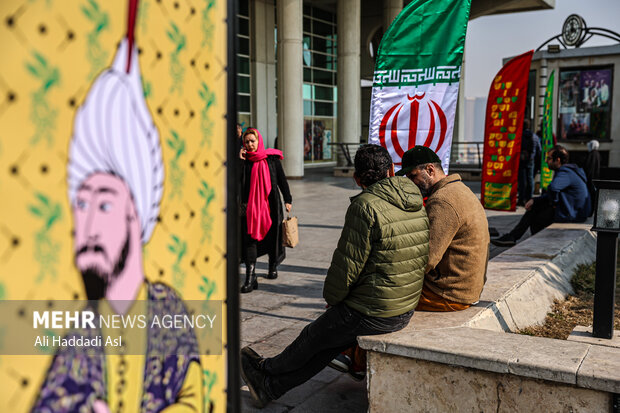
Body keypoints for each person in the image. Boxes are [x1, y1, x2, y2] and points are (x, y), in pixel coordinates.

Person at [33, 39, 203, 412]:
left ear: (134, 213)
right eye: (82, 203)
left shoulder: (167, 308)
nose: (88, 224)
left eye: (105, 203)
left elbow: (193, 398)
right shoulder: (81, 328)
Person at [240, 144, 429, 408]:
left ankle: (266, 369)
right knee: (328, 345)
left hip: (375, 311)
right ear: (392, 170)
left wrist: (333, 298)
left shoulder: (365, 206)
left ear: (356, 178)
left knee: (313, 337)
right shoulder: (416, 200)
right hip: (405, 306)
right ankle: (270, 387)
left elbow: (346, 267)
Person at [397, 145, 489, 312]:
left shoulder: (442, 201)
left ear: (430, 170)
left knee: (377, 294)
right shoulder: (459, 189)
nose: (411, 182)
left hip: (448, 293)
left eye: (413, 176)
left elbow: (426, 259)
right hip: (465, 287)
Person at [492, 145, 591, 247]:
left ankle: (514, 237)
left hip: (572, 215)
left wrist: (553, 203)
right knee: (536, 208)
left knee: (534, 212)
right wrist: (535, 200)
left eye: (549, 158)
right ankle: (515, 237)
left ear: (557, 160)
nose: (546, 161)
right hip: (574, 212)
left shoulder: (565, 172)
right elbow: (551, 193)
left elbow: (553, 189)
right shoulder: (569, 171)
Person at [239, 128, 292, 293]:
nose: (249, 145)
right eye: (246, 142)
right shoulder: (244, 161)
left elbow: (281, 180)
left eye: (252, 141)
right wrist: (240, 161)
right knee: (250, 240)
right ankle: (250, 276)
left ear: (258, 140)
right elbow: (236, 182)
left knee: (272, 238)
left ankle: (272, 265)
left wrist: (288, 199)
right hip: (250, 208)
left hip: (270, 206)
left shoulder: (271, 158)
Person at [517, 120, 541, 206]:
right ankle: (529, 198)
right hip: (531, 161)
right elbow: (539, 150)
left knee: (522, 180)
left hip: (521, 160)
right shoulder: (535, 136)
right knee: (530, 179)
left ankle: (521, 199)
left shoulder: (519, 135)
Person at [584, 139, 601, 211]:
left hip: (591, 179)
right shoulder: (597, 154)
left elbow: (589, 168)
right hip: (594, 178)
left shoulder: (592, 154)